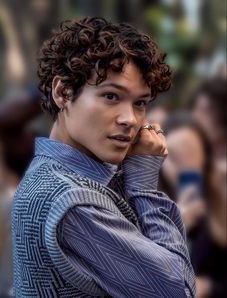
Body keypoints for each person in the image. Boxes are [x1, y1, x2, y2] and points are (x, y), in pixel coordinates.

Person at [12, 17, 195, 297]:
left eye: (140, 103)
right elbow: (177, 291)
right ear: (62, 92)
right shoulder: (72, 201)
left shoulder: (62, 176)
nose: (129, 119)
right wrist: (144, 184)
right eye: (110, 96)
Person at [159, 113, 227, 298]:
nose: (184, 167)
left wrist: (209, 288)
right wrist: (175, 229)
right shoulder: (143, 206)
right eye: (175, 157)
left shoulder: (219, 205)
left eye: (192, 154)